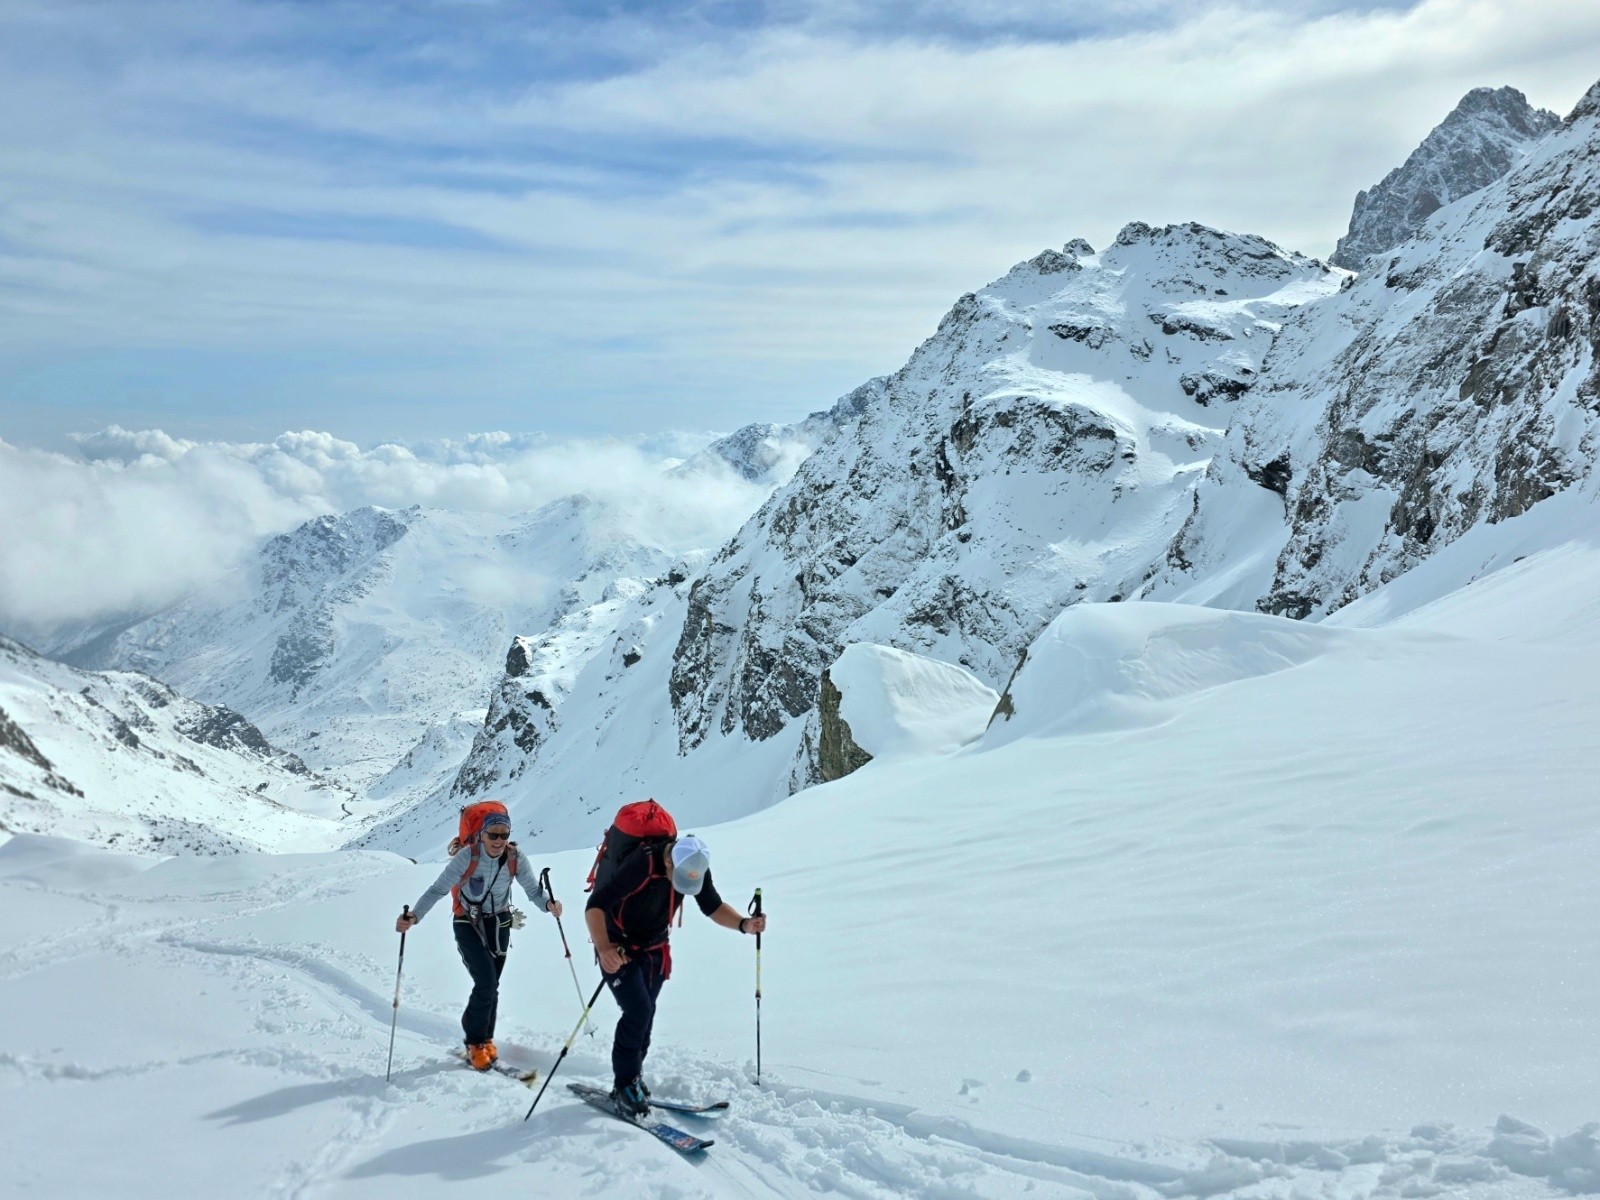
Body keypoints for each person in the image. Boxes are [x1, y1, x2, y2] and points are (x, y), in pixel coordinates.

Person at [585, 832, 766, 1114]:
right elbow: (595, 905)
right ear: (669, 861)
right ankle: (625, 1084)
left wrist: (744, 924)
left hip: (656, 949)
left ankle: (633, 1075)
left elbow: (712, 906)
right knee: (638, 1012)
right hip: (618, 948)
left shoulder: (695, 865)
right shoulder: (642, 864)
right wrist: (604, 948)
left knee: (646, 1013)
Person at [395, 811, 563, 1070]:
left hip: (499, 923)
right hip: (467, 922)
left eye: (503, 835)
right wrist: (414, 916)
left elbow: (532, 890)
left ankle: (485, 1038)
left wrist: (548, 905)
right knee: (486, 982)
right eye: (492, 835)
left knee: (492, 985)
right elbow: (438, 889)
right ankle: (474, 1042)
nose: (498, 840)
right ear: (482, 835)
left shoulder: (515, 857)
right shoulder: (468, 856)